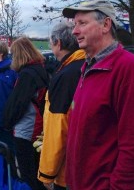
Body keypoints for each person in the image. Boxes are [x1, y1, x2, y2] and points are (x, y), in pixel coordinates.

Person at [62, 0, 134, 189]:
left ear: (105, 25)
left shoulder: (129, 69)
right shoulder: (89, 67)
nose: (74, 31)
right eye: (74, 24)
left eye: (82, 23)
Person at [37, 21, 85, 190]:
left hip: (66, 172)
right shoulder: (84, 65)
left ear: (57, 43)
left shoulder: (66, 75)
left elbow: (59, 126)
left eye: (51, 42)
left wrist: (47, 172)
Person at [3, 36, 49, 190]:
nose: (12, 58)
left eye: (13, 54)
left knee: (28, 173)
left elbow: (18, 103)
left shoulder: (27, 74)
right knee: (36, 170)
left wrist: (7, 122)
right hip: (37, 126)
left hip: (27, 129)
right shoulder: (39, 68)